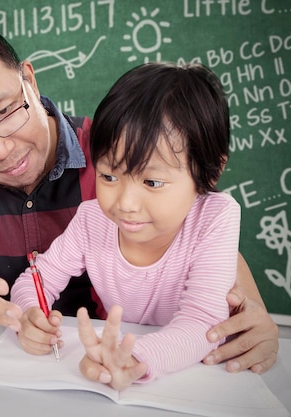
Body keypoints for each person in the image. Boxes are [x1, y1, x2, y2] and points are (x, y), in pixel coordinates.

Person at [0, 20, 278, 374]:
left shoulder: (119, 153)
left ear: (29, 80)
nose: (0, 149)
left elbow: (196, 232)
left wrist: (250, 309)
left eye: (5, 111)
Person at [12, 62, 242, 389]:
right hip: (117, 370)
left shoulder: (216, 217)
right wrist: (29, 315)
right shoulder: (92, 220)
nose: (125, 203)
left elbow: (203, 323)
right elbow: (35, 280)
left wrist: (134, 358)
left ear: (211, 172)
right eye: (109, 176)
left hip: (198, 379)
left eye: (152, 181)